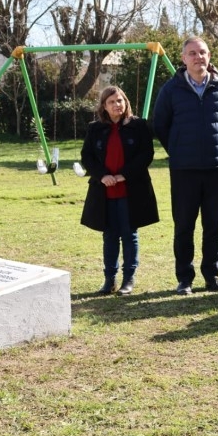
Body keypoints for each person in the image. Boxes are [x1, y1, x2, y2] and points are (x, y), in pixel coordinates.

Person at [153, 36, 218, 295]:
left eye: (202, 52)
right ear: (183, 58)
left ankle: (212, 276)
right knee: (184, 227)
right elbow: (160, 125)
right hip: (184, 171)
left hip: (217, 170)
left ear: (209, 56)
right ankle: (185, 279)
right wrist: (178, 148)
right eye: (192, 53)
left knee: (214, 227)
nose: (198, 57)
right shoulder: (171, 89)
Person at [80, 86, 159, 296]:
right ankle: (109, 280)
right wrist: (102, 176)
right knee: (110, 235)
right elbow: (87, 156)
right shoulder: (95, 128)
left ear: (126, 102)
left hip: (131, 189)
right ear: (104, 106)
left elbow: (146, 154)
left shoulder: (139, 126)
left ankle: (128, 279)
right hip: (104, 191)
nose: (117, 105)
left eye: (120, 100)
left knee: (129, 234)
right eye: (112, 102)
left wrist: (124, 175)